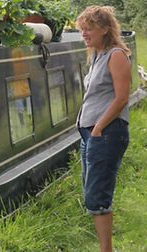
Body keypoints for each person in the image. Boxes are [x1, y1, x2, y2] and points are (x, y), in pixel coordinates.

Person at [76, 6, 131, 252]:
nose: (84, 34)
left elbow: (121, 98)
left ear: (105, 29)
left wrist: (97, 128)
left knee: (97, 196)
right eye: (82, 29)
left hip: (106, 133)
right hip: (91, 134)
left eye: (89, 29)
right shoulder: (96, 54)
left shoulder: (116, 55)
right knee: (92, 194)